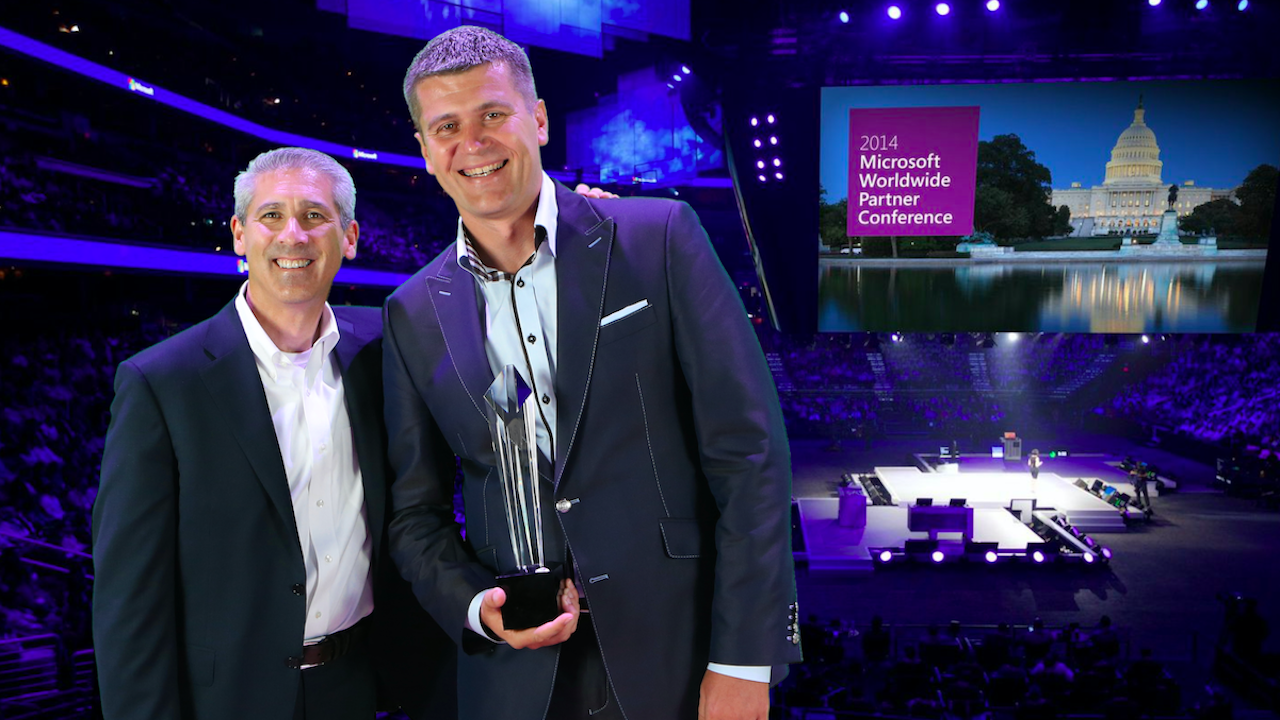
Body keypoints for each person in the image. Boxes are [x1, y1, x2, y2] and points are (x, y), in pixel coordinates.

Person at [384, 25, 801, 720]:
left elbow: (749, 453)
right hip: (513, 680)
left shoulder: (659, 237)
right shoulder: (411, 311)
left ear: (540, 119)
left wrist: (743, 660)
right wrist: (476, 606)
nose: (473, 142)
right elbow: (415, 515)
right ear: (426, 150)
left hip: (677, 655)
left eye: (493, 114)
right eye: (446, 126)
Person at [91, 147, 456, 719]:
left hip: (358, 685)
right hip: (226, 699)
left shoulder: (385, 349)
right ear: (239, 234)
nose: (293, 235)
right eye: (271, 216)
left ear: (350, 237)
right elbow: (128, 598)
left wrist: (572, 224)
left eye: (314, 216)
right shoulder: (161, 382)